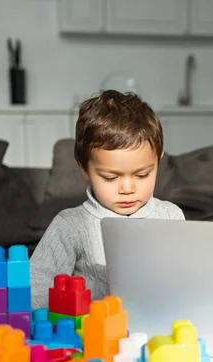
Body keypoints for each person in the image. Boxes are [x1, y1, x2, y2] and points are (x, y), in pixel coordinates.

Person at [30, 90, 184, 310]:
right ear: (84, 168)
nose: (128, 189)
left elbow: (185, 280)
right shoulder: (70, 225)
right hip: (91, 335)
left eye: (142, 175)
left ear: (157, 161)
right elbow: (37, 283)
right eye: (110, 177)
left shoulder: (171, 216)